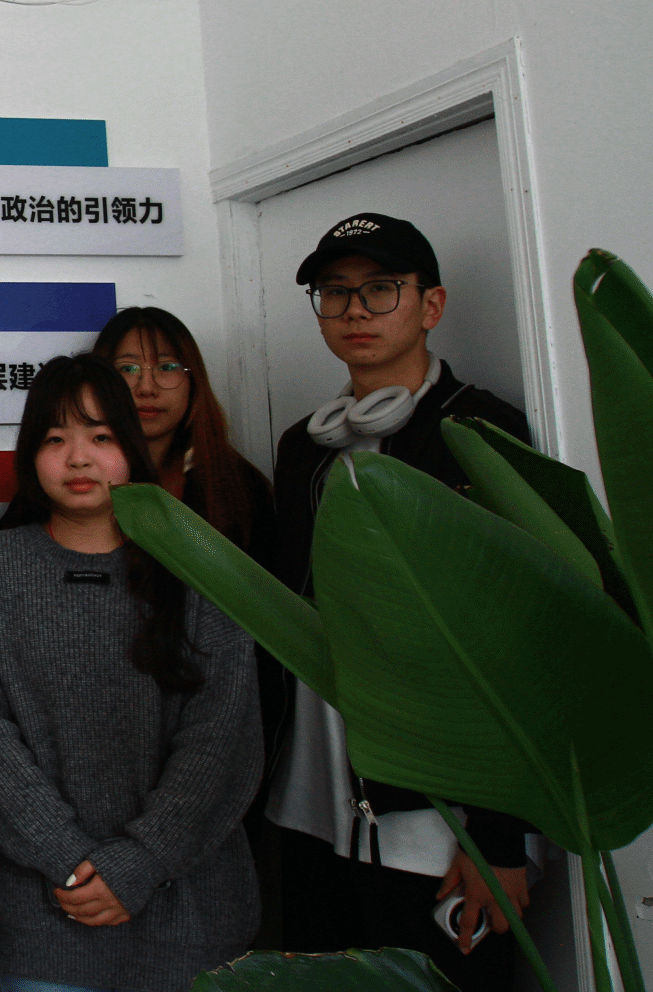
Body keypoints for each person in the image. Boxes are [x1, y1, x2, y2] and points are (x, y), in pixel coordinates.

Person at [259, 214, 534, 991]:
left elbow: (517, 637)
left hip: (439, 826)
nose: (355, 310)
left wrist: (502, 841)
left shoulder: (482, 431)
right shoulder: (303, 446)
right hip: (312, 808)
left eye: (380, 288)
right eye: (335, 292)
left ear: (430, 303)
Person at [0, 354, 262, 992]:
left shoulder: (198, 564)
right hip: (46, 919)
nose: (78, 458)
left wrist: (140, 862)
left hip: (191, 916)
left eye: (101, 436)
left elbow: (221, 739)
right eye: (54, 439)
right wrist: (68, 860)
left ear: (132, 448)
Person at [91, 307, 273, 551]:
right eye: (127, 368)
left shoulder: (242, 486)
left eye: (166, 367)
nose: (147, 388)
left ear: (193, 381)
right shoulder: (77, 477)